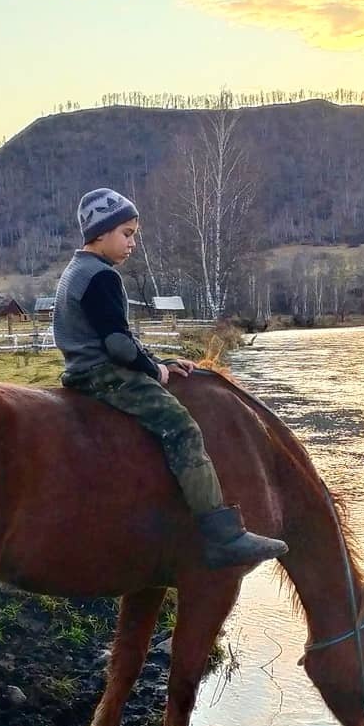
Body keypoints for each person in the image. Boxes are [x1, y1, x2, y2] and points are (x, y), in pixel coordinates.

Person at [52, 187, 288, 570]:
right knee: (182, 427)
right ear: (100, 233)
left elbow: (113, 335)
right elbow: (117, 344)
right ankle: (221, 533)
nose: (132, 243)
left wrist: (161, 359)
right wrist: (155, 371)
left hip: (80, 371)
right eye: (127, 234)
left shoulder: (74, 272)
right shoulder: (101, 277)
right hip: (105, 375)